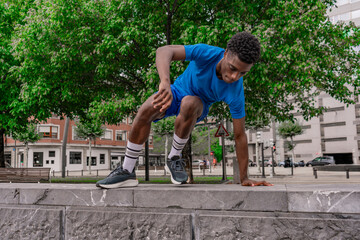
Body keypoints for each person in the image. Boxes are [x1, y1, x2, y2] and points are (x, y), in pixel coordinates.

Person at [96, 32, 273, 188]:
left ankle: (173, 158)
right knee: (146, 108)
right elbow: (164, 51)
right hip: (176, 92)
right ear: (226, 54)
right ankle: (127, 170)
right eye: (233, 68)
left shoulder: (235, 91)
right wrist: (164, 81)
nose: (234, 77)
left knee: (190, 102)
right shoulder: (207, 53)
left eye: (243, 73)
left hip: (198, 105)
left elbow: (240, 135)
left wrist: (244, 177)